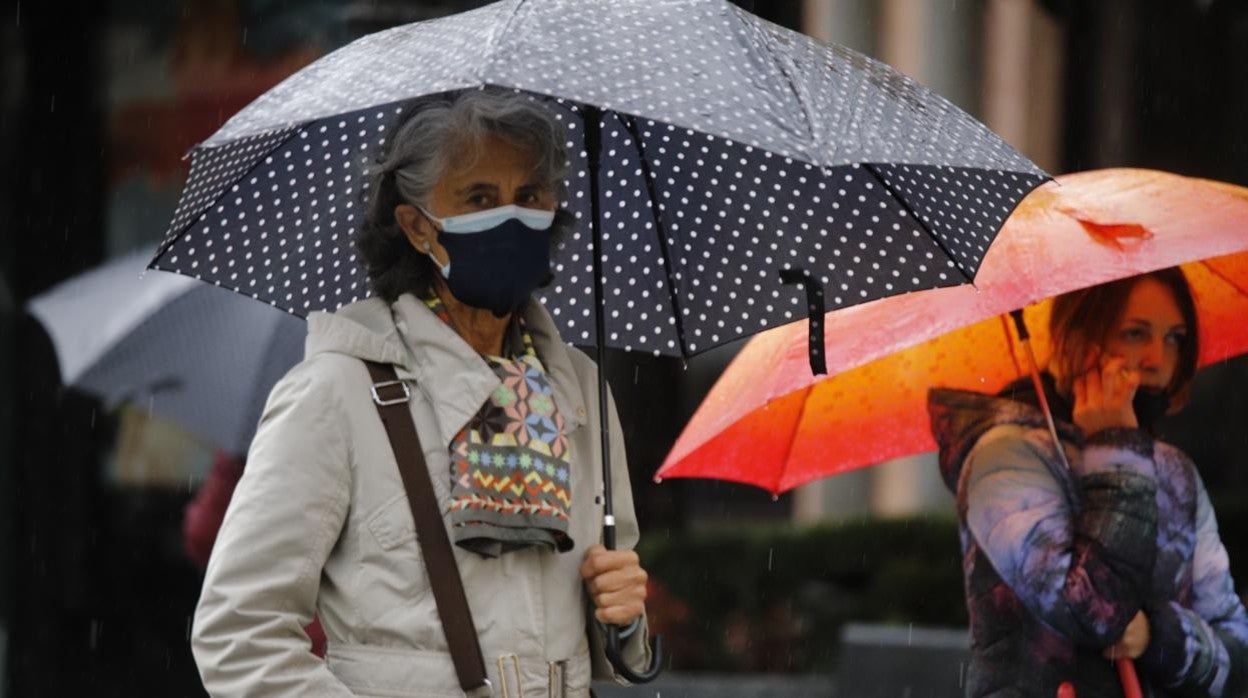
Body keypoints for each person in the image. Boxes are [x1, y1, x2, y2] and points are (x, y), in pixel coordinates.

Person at [192, 89, 652, 697]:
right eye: (479, 198)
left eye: (531, 196)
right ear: (416, 226)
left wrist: (624, 619)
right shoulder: (337, 391)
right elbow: (238, 631)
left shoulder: (582, 396)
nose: (511, 217)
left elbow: (602, 654)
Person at [929, 268, 1248, 697]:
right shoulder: (1005, 458)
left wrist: (1160, 637)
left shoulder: (1175, 471)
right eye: (1135, 334)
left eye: (1174, 337)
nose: (1157, 358)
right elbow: (1091, 612)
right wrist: (1115, 450)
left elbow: (1237, 653)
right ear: (1077, 336)